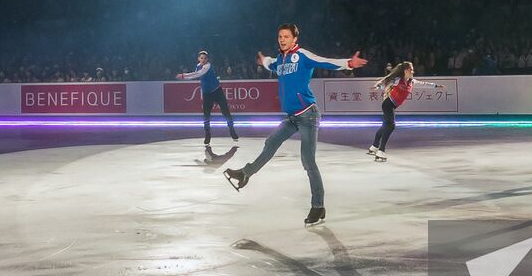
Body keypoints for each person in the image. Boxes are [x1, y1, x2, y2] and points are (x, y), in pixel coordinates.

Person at [224, 24, 366, 227]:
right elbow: (270, 63)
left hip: (308, 115)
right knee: (271, 142)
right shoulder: (280, 59)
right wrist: (263, 60)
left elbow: (325, 62)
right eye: (279, 36)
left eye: (286, 36)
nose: (282, 39)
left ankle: (318, 206)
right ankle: (246, 173)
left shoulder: (302, 55)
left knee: (308, 161)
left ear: (294, 39)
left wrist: (348, 63)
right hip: (292, 117)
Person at [368, 61, 444, 161]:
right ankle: (381, 151)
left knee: (385, 125)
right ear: (405, 70)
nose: (413, 71)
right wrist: (377, 87)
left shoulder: (412, 81)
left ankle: (374, 146)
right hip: (388, 104)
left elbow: (424, 84)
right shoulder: (397, 80)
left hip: (392, 106)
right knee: (391, 125)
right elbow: (386, 83)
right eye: (411, 69)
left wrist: (436, 86)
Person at [176, 50, 238, 146]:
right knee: (206, 115)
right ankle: (207, 134)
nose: (203, 60)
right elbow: (197, 74)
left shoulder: (207, 66)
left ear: (207, 59)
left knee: (225, 111)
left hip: (217, 91)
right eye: (201, 58)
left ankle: (231, 129)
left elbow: (198, 74)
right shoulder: (198, 66)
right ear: (198, 59)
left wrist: (184, 76)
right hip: (207, 94)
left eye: (205, 58)